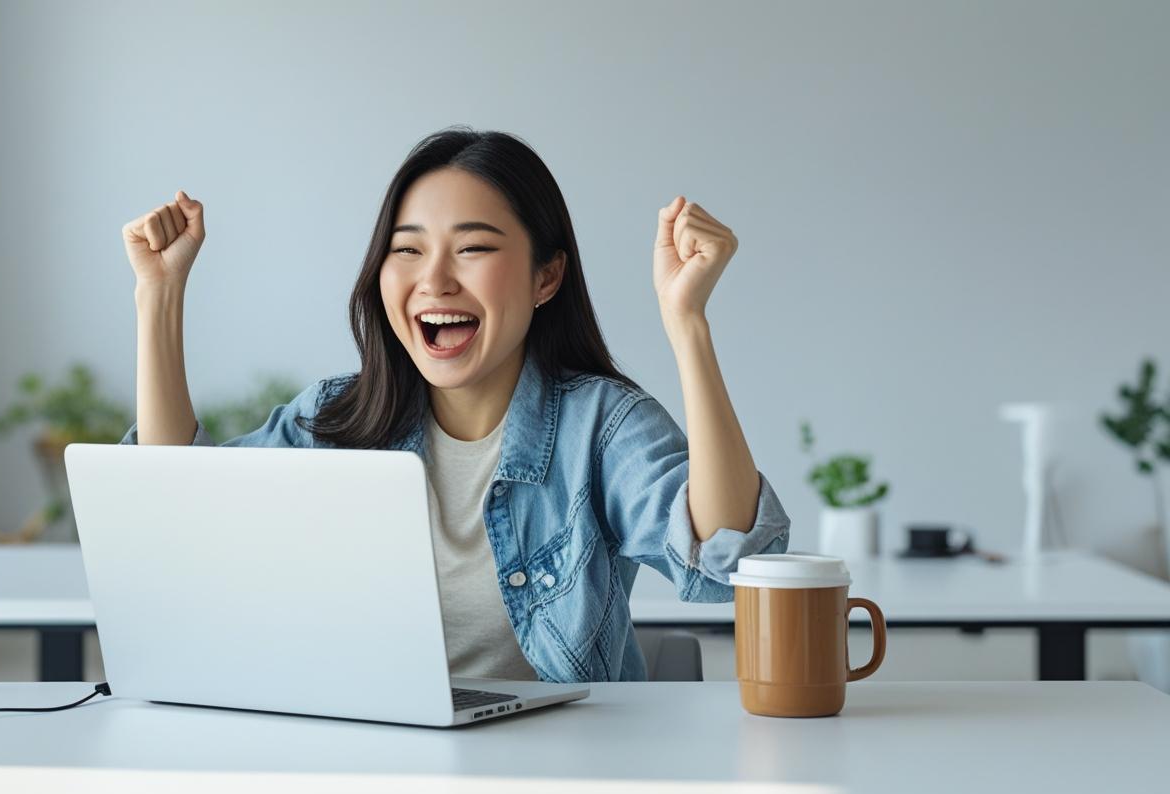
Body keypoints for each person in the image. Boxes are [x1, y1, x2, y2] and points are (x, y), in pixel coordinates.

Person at [118, 126, 789, 683]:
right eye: (406, 250)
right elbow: (175, 516)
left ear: (545, 276)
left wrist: (687, 322)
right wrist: (159, 295)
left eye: (472, 248)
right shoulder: (336, 418)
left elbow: (729, 563)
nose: (434, 279)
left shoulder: (600, 428)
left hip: (559, 773)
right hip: (364, 760)